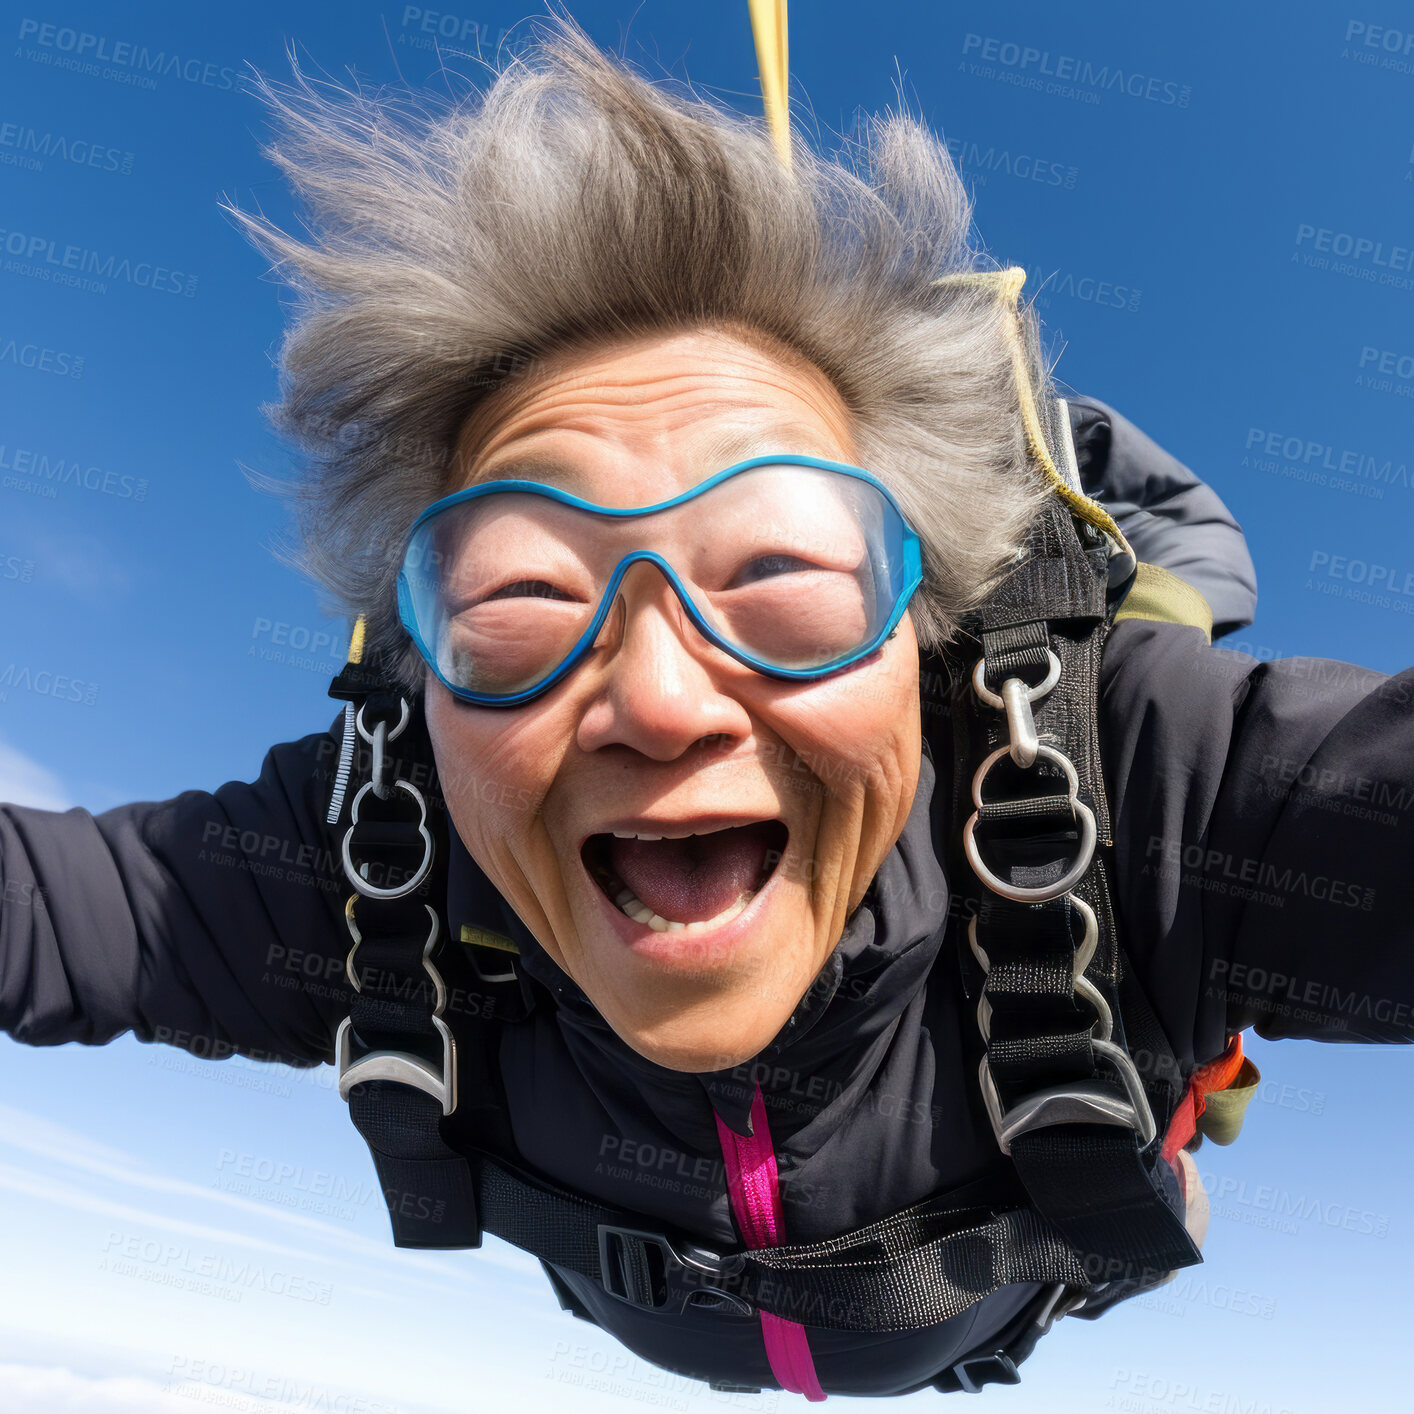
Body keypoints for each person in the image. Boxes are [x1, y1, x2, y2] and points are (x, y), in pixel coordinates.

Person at [1, 14, 1409, 1401]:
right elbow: (58, 907)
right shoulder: (393, 842)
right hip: (684, 1316)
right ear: (423, 664)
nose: (660, 702)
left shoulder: (1133, 782)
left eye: (783, 574)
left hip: (994, 1301)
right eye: (522, 598)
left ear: (916, 632)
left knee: (1157, 1209)